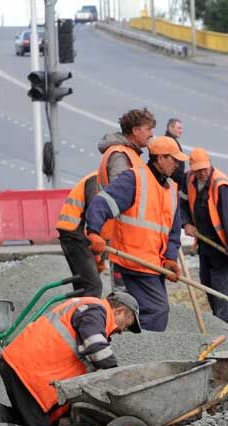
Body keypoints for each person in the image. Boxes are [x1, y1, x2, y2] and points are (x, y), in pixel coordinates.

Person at [0, 291, 141, 426]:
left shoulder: (87, 305)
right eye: (127, 324)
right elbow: (95, 346)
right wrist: (116, 374)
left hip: (19, 364)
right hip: (28, 371)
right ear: (120, 311)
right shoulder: (96, 311)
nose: (122, 331)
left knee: (35, 417)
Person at [85, 136, 187, 332]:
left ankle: (127, 347)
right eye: (173, 159)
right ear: (160, 158)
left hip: (153, 265)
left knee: (136, 312)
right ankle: (145, 353)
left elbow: (173, 231)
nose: (177, 164)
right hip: (132, 261)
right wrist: (94, 231)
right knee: (156, 311)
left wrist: (170, 258)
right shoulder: (134, 180)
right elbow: (101, 203)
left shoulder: (171, 189)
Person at [56, 109, 156, 295]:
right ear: (135, 130)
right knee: (92, 286)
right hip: (76, 230)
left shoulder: (130, 155)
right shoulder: (121, 155)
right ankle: (83, 319)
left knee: (88, 283)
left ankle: (80, 314)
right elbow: (114, 199)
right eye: (148, 129)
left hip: (86, 230)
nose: (152, 134)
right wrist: (96, 242)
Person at [181, 148, 228, 328]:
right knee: (209, 289)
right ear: (192, 168)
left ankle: (227, 334)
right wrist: (186, 222)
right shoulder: (188, 179)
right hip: (205, 245)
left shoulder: (220, 184)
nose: (202, 173)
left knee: (223, 298)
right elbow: (182, 201)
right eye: (198, 170)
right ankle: (219, 328)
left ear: (210, 164)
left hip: (223, 247)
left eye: (205, 168)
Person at [165, 118, 186, 190]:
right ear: (170, 127)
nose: (181, 131)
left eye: (182, 128)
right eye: (179, 128)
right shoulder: (169, 142)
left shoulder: (170, 141)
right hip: (171, 183)